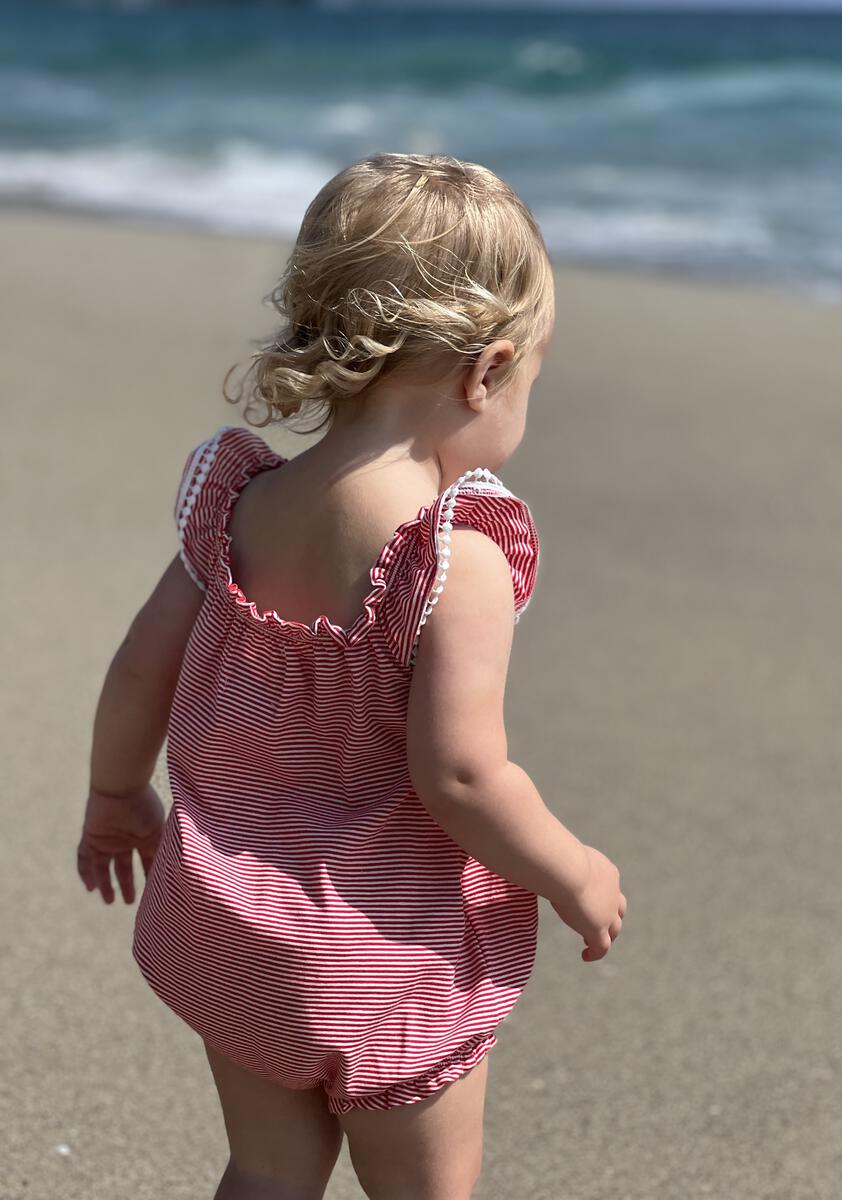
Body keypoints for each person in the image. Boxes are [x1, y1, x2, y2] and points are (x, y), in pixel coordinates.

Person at [76, 152, 627, 1200]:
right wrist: (572, 870)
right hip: (388, 965)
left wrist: (113, 799)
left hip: (231, 930)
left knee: (265, 1171)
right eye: (531, 385)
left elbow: (138, 666)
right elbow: (460, 774)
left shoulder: (239, 503)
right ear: (487, 369)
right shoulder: (450, 554)